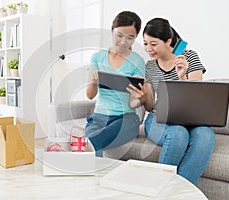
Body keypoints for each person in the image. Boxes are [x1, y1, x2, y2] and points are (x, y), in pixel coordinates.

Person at [133, 17, 215, 184]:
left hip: (191, 118)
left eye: (153, 44)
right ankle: (164, 189)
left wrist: (182, 76)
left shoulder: (188, 57)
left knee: (206, 135)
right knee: (177, 134)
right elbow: (150, 106)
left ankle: (173, 193)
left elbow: (197, 97)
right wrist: (143, 97)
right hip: (159, 118)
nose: (148, 49)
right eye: (145, 43)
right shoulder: (149, 67)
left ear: (168, 41)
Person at [84, 11, 153, 157]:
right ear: (112, 31)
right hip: (98, 118)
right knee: (95, 141)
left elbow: (134, 103)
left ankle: (83, 149)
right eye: (119, 35)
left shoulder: (137, 62)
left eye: (130, 38)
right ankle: (95, 175)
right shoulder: (97, 57)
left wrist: (140, 96)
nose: (123, 42)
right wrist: (93, 79)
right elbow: (90, 96)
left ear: (135, 38)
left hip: (125, 119)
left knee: (91, 142)